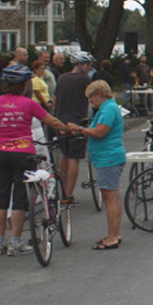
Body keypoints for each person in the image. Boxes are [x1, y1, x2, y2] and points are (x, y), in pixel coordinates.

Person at [0, 65, 68, 256]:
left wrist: (4, 139)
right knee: (19, 199)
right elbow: (50, 120)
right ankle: (16, 243)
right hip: (23, 154)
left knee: (0, 198)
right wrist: (67, 128)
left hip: (0, 153)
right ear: (24, 85)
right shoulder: (28, 103)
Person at [67, 80, 126, 250]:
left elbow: (100, 132)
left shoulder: (108, 108)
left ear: (99, 94)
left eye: (91, 98)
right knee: (112, 197)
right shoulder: (108, 107)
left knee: (110, 198)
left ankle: (112, 237)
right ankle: (114, 233)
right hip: (108, 156)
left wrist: (79, 129)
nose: (90, 101)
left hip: (108, 157)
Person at [53, 51, 93, 204]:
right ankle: (69, 194)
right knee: (74, 158)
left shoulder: (62, 78)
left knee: (64, 155)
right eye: (88, 65)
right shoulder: (85, 80)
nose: (90, 68)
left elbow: (55, 99)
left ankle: (62, 190)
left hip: (61, 120)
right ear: (81, 65)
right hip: (77, 121)